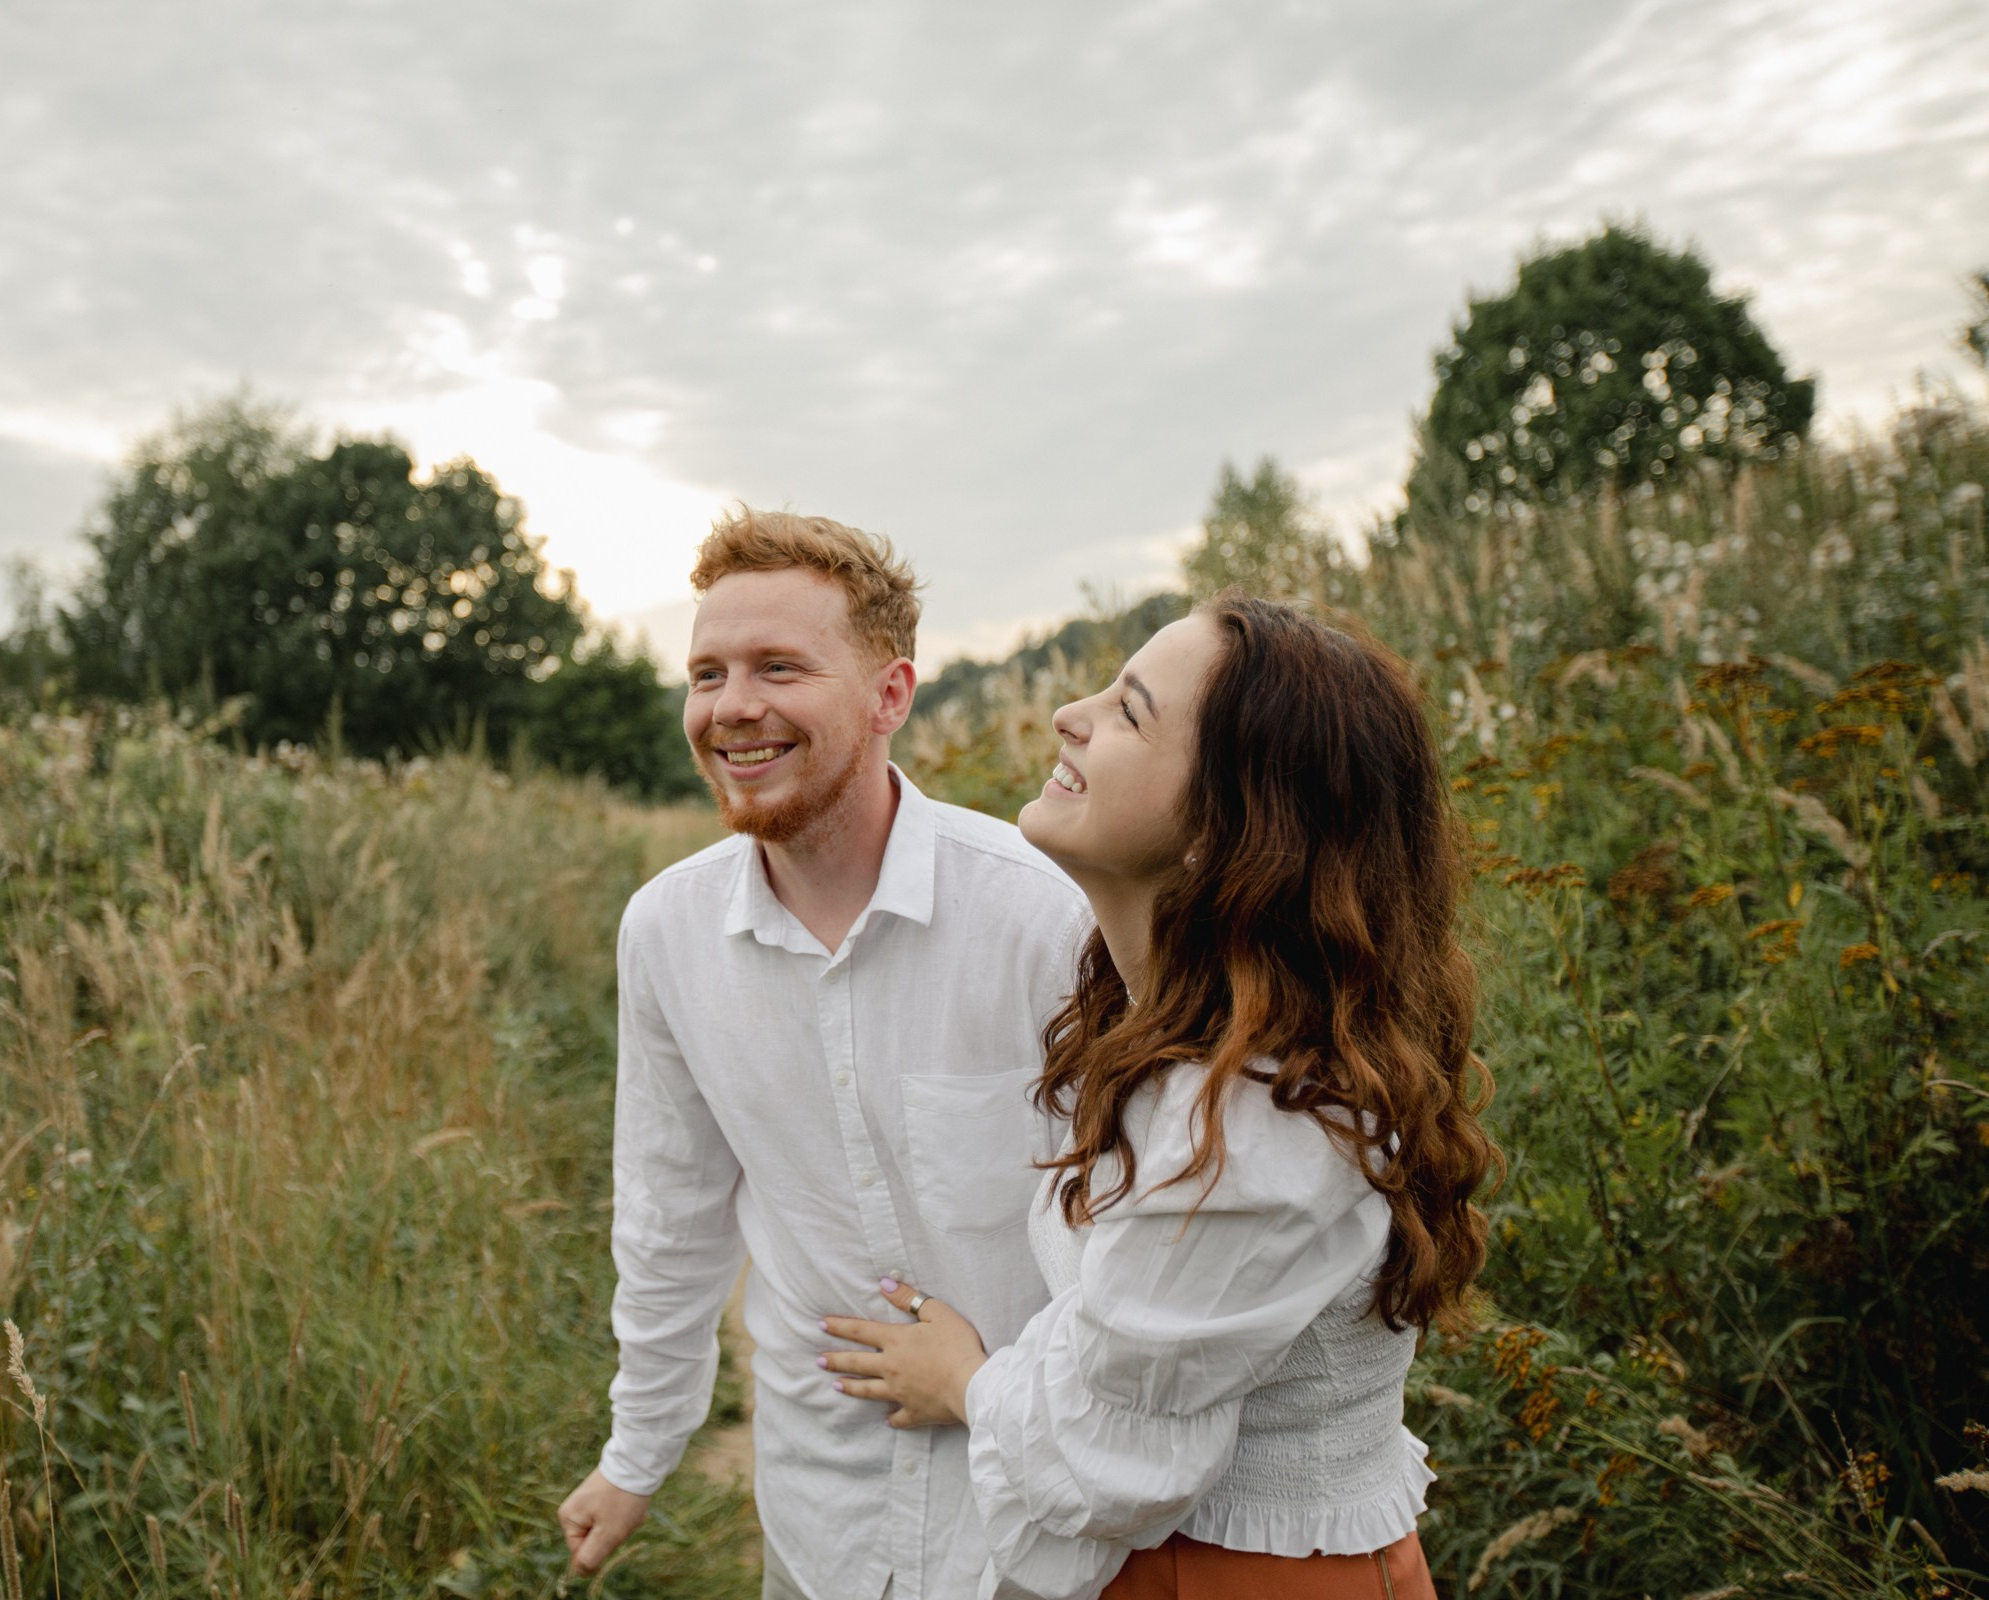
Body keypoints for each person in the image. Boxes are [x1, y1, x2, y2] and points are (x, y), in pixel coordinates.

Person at [819, 594, 1499, 1599]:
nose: (1070, 714)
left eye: (1131, 712)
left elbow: (1105, 1453)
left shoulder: (1260, 1127)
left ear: (1229, 831)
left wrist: (961, 1376)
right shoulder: (1183, 1038)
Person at [557, 509, 1091, 1600]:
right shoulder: (665, 934)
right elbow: (670, 1213)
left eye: (778, 667)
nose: (731, 706)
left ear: (891, 694)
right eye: (707, 673)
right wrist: (640, 1451)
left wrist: (1006, 1394)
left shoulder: (1050, 920)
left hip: (1039, 1523)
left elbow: (1138, 1228)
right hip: (821, 1521)